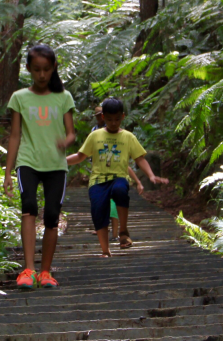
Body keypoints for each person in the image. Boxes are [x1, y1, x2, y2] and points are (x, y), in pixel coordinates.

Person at [3, 45, 76, 289]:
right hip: (28, 161)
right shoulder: (19, 97)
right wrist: (7, 173)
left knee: (53, 215)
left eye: (46, 69)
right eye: (37, 70)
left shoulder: (63, 97)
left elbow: (71, 133)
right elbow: (14, 135)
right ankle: (28, 270)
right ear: (29, 69)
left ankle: (46, 271)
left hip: (56, 165)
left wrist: (64, 142)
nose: (42, 75)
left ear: (53, 68)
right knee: (29, 207)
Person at [68, 97, 168, 256]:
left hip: (118, 177)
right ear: (103, 118)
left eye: (116, 119)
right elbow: (81, 156)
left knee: (121, 190)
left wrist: (151, 175)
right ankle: (105, 250)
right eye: (109, 119)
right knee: (98, 211)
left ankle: (123, 230)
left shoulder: (128, 137)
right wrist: (61, 162)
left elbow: (139, 158)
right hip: (97, 180)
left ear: (122, 116)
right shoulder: (95, 136)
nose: (113, 123)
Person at [91, 106, 142, 240]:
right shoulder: (95, 132)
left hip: (118, 175)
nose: (113, 122)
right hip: (100, 176)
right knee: (100, 206)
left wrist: (139, 181)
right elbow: (84, 154)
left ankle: (120, 233)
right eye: (97, 115)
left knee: (116, 201)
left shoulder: (125, 136)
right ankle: (106, 243)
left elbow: (133, 161)